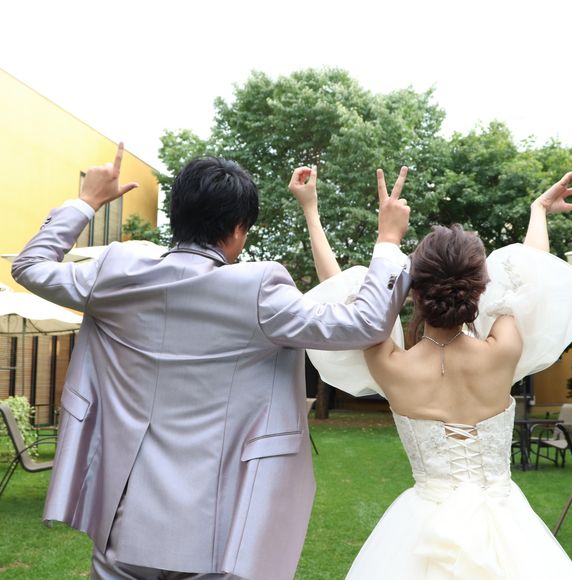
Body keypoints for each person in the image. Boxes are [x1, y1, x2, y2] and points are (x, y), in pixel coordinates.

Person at [12, 144, 412, 580]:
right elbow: (365, 323)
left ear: (178, 215)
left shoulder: (116, 273)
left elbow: (29, 265)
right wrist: (388, 242)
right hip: (218, 529)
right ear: (238, 229)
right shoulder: (258, 291)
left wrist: (87, 201)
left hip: (123, 527)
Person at [290, 166, 572, 579]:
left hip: (420, 525)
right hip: (506, 525)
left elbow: (340, 296)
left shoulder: (390, 364)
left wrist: (316, 213)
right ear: (479, 288)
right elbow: (530, 279)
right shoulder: (504, 350)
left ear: (415, 290)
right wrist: (538, 212)